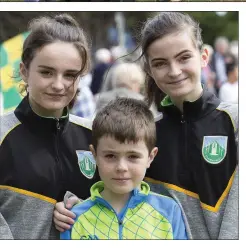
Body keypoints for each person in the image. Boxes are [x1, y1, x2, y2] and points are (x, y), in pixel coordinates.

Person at [53, 12, 238, 240]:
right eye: (160, 63)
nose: (174, 71)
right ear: (148, 69)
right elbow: (114, 190)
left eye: (184, 58)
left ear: (204, 56)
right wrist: (71, 206)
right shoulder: (147, 131)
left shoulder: (235, 122)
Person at [0, 14, 99, 239]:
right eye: (46, 72)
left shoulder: (95, 135)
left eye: (70, 75)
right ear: (24, 71)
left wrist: (92, 207)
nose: (58, 85)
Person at [61, 97, 187, 240]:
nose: (121, 167)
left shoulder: (169, 212)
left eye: (133, 156)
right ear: (94, 155)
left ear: (150, 157)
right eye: (110, 156)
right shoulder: (74, 217)